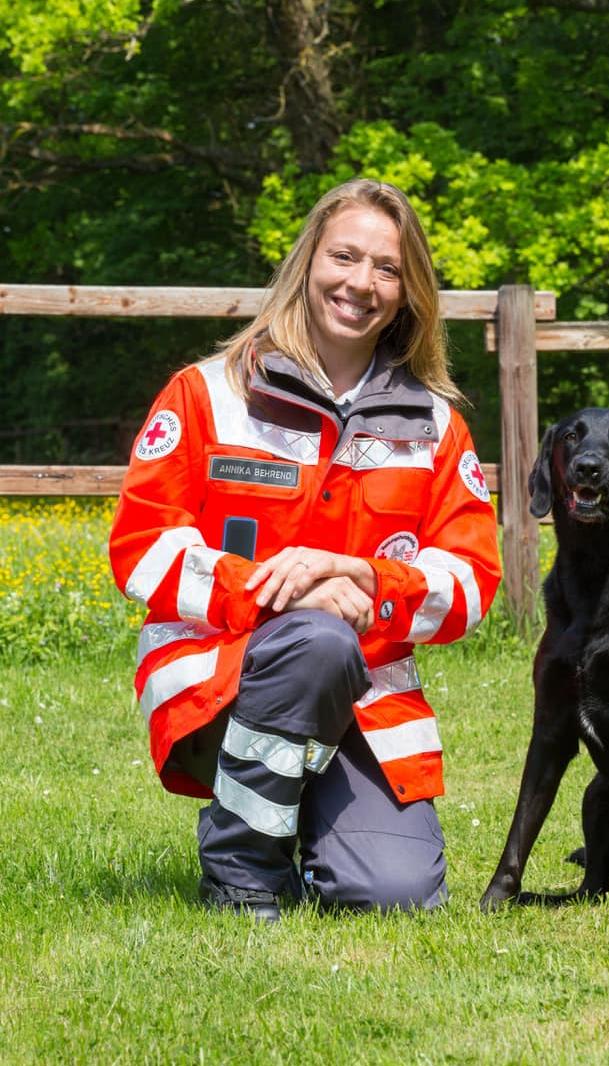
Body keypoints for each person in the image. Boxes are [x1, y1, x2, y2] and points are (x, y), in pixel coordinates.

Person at [109, 179, 501, 920]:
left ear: (409, 290)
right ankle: (244, 870)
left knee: (394, 897)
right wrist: (283, 592)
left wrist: (364, 575)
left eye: (387, 268)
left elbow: (472, 584)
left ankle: (303, 824)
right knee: (317, 640)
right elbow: (142, 547)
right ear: (306, 263)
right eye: (344, 256)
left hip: (362, 699)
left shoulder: (434, 425)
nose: (361, 283)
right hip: (220, 681)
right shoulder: (207, 392)